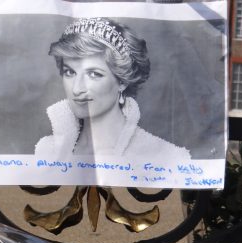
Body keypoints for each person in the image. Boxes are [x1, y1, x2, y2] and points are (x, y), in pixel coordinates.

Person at [35, 17, 191, 160]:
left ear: (122, 81)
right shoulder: (47, 150)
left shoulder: (166, 156)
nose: (77, 89)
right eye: (70, 72)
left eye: (94, 74)